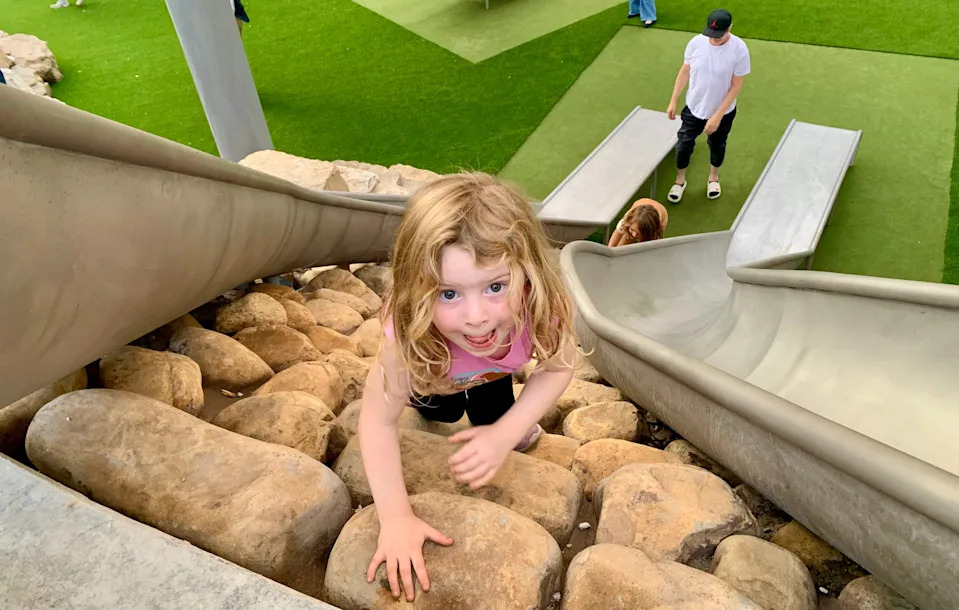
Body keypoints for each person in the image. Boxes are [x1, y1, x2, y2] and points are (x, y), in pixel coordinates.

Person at [358, 172, 577, 602]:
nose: (476, 316)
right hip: (435, 373)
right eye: (449, 293)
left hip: (496, 373)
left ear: (527, 274)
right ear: (417, 291)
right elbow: (377, 421)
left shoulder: (540, 305)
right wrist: (396, 517)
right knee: (438, 412)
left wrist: (505, 433)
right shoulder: (409, 335)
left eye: (496, 286)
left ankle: (494, 420)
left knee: (494, 416)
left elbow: (558, 367)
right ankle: (449, 409)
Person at [665, 9, 750, 204]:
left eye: (719, 35)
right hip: (694, 107)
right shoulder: (696, 43)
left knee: (717, 145)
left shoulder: (739, 49)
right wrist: (673, 99)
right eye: (711, 35)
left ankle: (713, 177)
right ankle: (680, 181)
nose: (714, 40)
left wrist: (717, 116)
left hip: (723, 112)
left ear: (729, 28)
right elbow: (685, 71)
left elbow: (736, 86)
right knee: (684, 144)